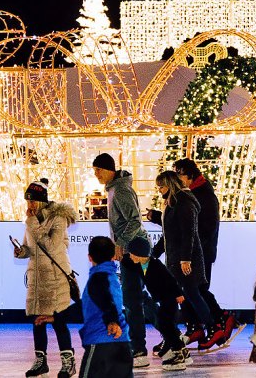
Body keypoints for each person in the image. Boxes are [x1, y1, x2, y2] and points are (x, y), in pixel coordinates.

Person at [151, 171, 225, 351]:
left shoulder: (184, 202)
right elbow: (170, 235)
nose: (159, 190)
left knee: (192, 294)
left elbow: (188, 233)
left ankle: (213, 327)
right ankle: (195, 330)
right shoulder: (174, 202)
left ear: (169, 184)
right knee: (186, 295)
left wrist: (186, 259)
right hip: (177, 259)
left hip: (187, 260)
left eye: (161, 186)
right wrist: (155, 253)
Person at [14, 179, 78, 378]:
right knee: (38, 320)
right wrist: (21, 251)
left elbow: (51, 246)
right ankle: (40, 360)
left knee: (58, 319)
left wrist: (33, 223)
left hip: (56, 276)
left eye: (32, 201)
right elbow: (31, 247)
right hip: (37, 276)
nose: (29, 206)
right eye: (27, 201)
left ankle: (68, 361)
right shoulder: (30, 221)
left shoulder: (58, 219)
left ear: (41, 201)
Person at [92, 153, 151, 367]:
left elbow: (134, 221)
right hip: (131, 248)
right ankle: (155, 341)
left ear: (109, 169)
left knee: (133, 299)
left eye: (98, 169)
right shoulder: (114, 189)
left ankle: (140, 349)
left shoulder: (121, 190)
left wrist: (120, 243)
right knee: (136, 298)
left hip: (134, 249)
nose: (96, 174)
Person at [172, 158, 237, 343]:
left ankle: (219, 319)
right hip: (192, 251)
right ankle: (197, 326)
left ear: (190, 175)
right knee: (189, 289)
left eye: (180, 174)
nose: (178, 178)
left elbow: (203, 227)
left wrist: (193, 249)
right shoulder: (189, 194)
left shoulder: (204, 195)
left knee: (197, 288)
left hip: (200, 252)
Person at [126, 237, 191, 371]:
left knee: (166, 325)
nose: (130, 256)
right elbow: (127, 262)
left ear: (139, 254)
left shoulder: (156, 265)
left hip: (170, 299)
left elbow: (171, 279)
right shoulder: (139, 264)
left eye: (132, 254)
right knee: (165, 324)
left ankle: (178, 351)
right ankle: (182, 350)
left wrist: (179, 294)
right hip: (163, 300)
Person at [79, 236, 133, 378]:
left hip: (101, 344)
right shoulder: (112, 277)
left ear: (89, 258)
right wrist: (56, 316)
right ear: (114, 256)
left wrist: (111, 321)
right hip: (123, 344)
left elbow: (105, 299)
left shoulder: (98, 277)